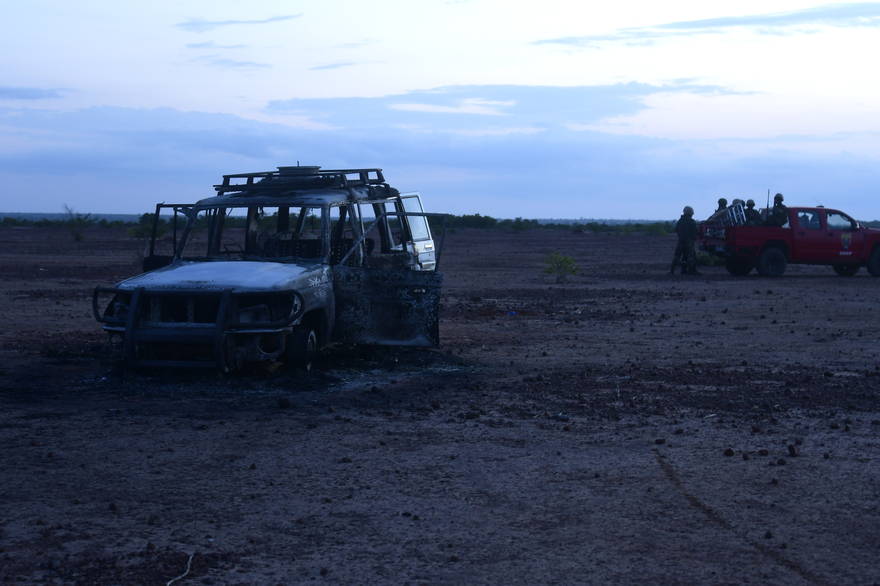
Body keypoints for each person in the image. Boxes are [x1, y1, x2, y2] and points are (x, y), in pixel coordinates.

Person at [670, 206, 700, 275]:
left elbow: (676, 229)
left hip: (681, 241)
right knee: (691, 256)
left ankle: (672, 270)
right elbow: (695, 231)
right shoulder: (692, 222)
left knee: (677, 256)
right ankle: (691, 270)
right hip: (689, 241)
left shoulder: (680, 221)